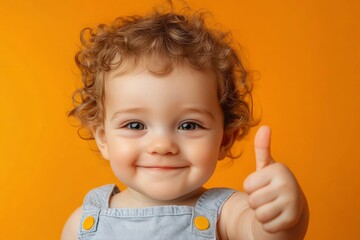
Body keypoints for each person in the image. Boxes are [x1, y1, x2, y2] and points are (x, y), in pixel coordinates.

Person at [61, 2, 309, 239]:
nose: (162, 145)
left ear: (225, 139)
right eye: (135, 125)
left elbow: (264, 233)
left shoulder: (227, 213)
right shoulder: (83, 223)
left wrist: (282, 214)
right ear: (103, 138)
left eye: (189, 125)